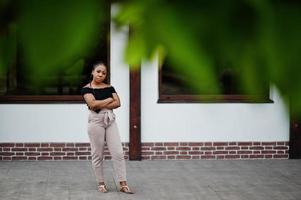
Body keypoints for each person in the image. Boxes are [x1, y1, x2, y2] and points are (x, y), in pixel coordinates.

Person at [81, 62, 134, 194]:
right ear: (92, 72)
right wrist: (108, 100)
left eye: (104, 73)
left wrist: (100, 104)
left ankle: (123, 183)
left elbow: (118, 103)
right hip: (96, 121)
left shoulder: (110, 87)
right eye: (98, 71)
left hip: (110, 120)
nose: (101, 74)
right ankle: (101, 183)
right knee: (97, 154)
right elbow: (92, 105)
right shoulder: (86, 89)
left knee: (118, 153)